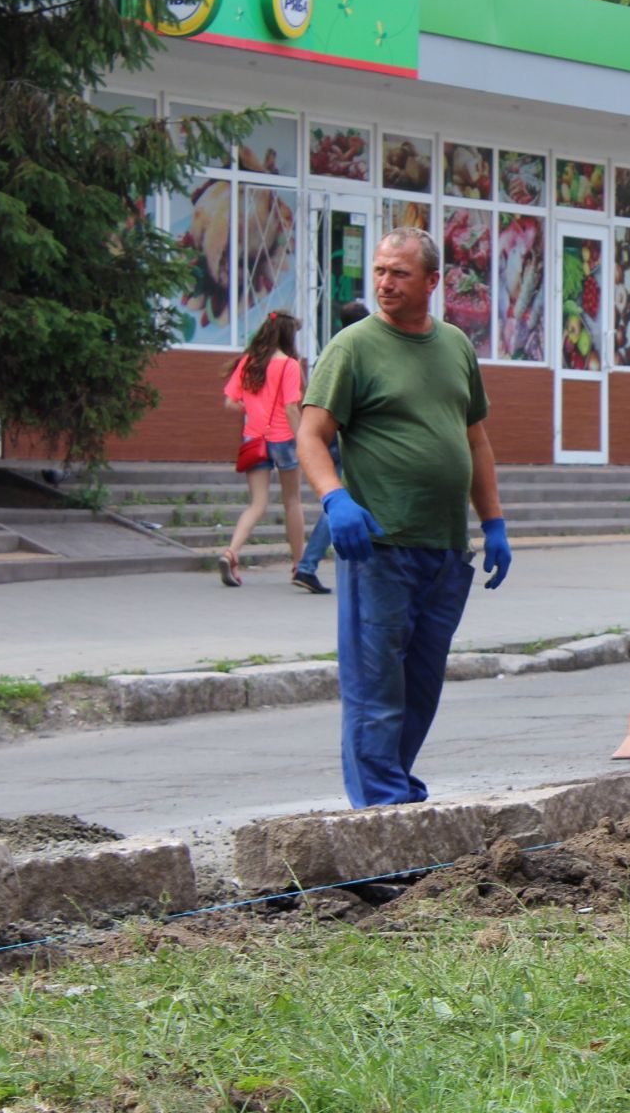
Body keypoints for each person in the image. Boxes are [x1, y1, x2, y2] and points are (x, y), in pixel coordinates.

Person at [296, 227, 513, 808]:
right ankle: (381, 806)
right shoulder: (353, 346)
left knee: (421, 683)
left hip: (444, 548)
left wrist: (493, 522)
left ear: (433, 281)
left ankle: (395, 786)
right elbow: (311, 435)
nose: (385, 283)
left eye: (399, 273)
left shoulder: (455, 346)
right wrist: (335, 498)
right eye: (380, 271)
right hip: (380, 544)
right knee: (375, 685)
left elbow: (475, 439)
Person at [219, 311, 306, 587]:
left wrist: (254, 409)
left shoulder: (249, 362)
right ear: (288, 335)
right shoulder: (290, 365)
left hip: (253, 439)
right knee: (292, 502)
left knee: (257, 503)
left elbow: (230, 403)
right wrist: (303, 439)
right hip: (284, 439)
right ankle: (300, 565)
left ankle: (231, 553)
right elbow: (291, 408)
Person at [292, 300, 371, 595]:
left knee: (344, 499)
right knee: (340, 500)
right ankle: (308, 565)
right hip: (342, 437)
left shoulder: (333, 349)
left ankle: (312, 566)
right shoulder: (353, 351)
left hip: (333, 435)